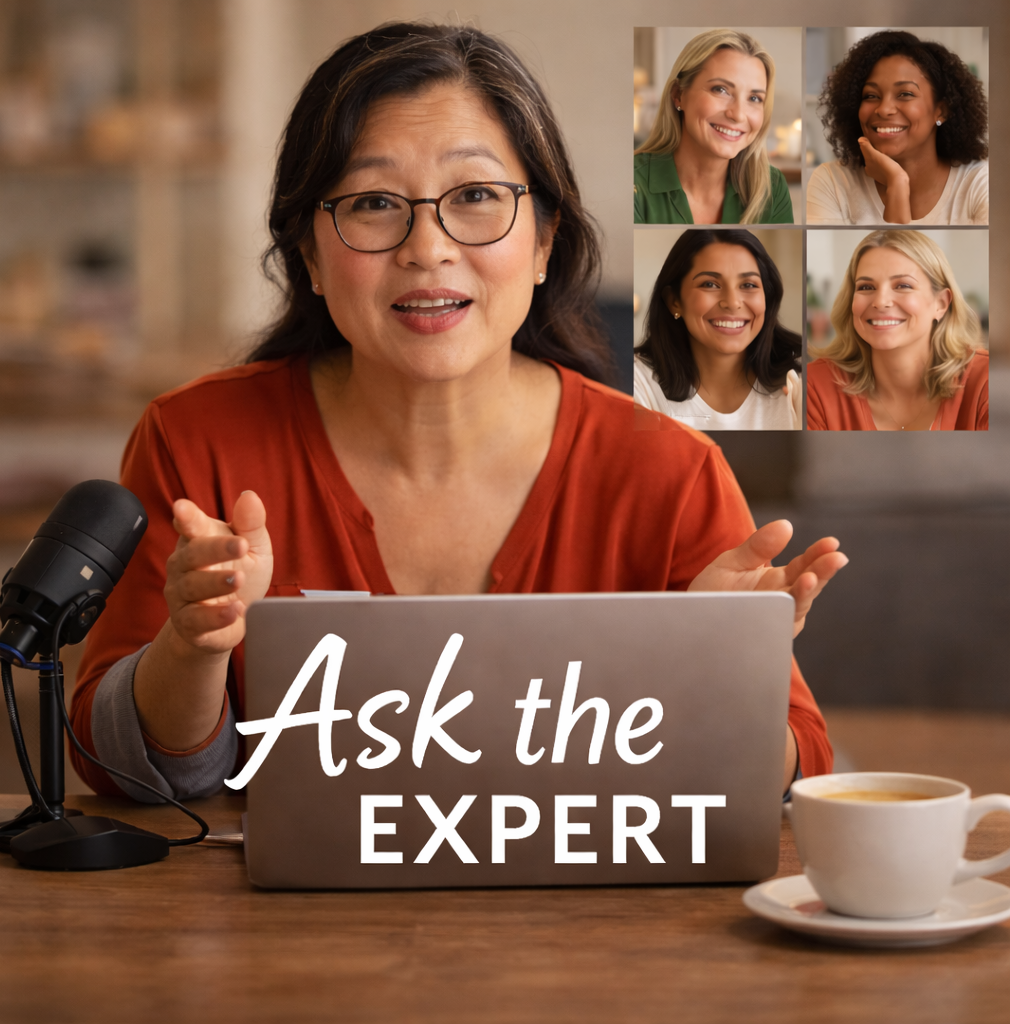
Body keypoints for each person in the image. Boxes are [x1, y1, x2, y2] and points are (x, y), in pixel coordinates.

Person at [70, 23, 845, 803]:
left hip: (588, 921)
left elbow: (794, 769)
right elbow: (118, 769)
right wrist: (195, 647)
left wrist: (707, 662)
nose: (427, 247)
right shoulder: (197, 441)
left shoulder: (666, 471)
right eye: (374, 203)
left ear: (545, 240)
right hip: (274, 926)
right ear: (308, 253)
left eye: (475, 196)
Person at [807, 229, 987, 430]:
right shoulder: (815, 385)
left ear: (941, 304)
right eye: (866, 287)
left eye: (903, 285)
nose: (881, 302)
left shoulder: (987, 381)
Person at [807, 30, 988, 225]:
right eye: (870, 96)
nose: (884, 109)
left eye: (905, 94)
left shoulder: (981, 183)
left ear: (941, 111)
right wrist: (898, 183)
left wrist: (897, 185)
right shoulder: (832, 182)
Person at [634, 229, 801, 429]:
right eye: (710, 284)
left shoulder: (801, 380)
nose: (732, 303)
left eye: (748, 284)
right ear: (674, 301)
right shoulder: (637, 382)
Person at [634, 29, 793, 225]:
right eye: (721, 90)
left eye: (754, 98)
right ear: (678, 94)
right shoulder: (632, 184)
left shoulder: (772, 186)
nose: (737, 114)